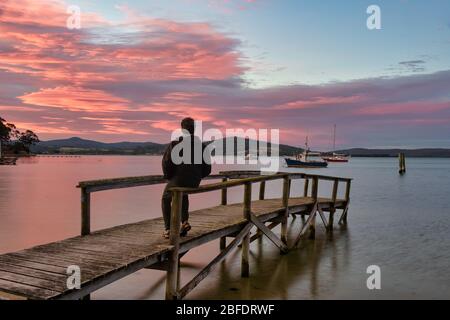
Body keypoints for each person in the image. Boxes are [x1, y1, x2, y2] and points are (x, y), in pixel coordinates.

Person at [161, 117, 211, 238]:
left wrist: (169, 177)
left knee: (166, 198)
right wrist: (197, 176)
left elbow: (167, 163)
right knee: (183, 193)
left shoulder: (175, 144)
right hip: (194, 181)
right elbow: (207, 169)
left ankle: (168, 229)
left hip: (178, 179)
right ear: (194, 130)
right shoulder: (203, 147)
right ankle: (184, 222)